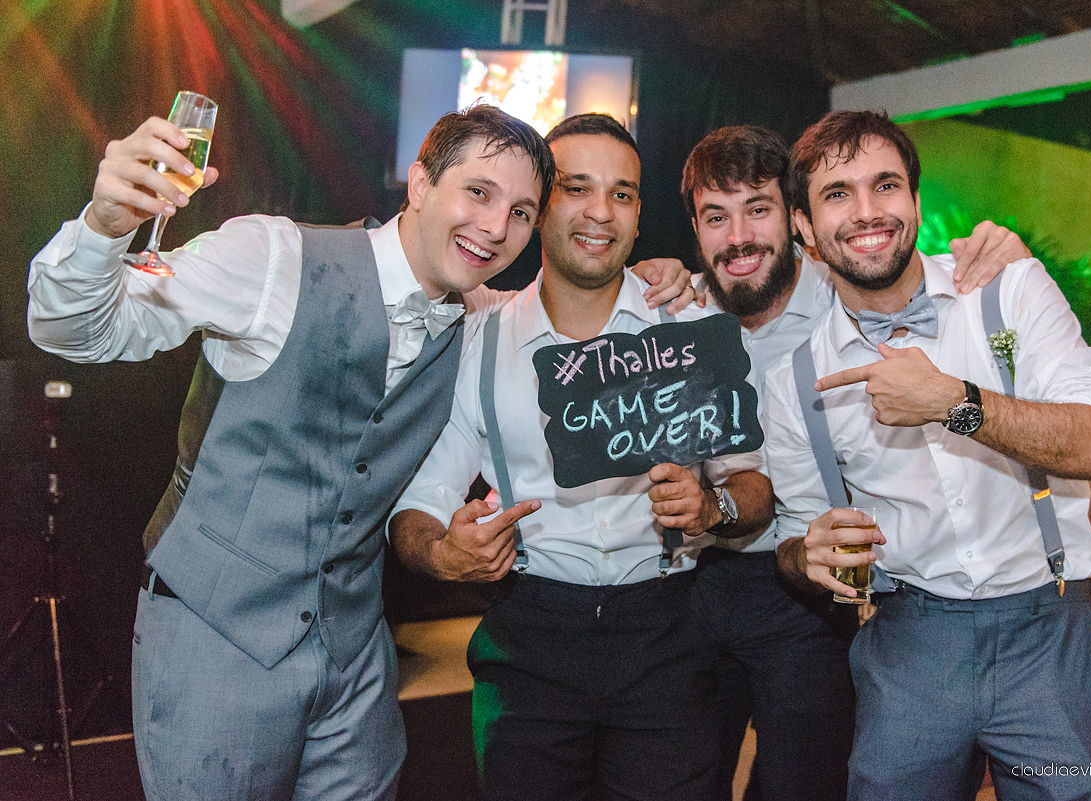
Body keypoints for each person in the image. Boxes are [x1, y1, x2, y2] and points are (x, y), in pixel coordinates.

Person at [26, 105, 558, 801]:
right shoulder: (272, 257)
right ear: (421, 183)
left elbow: (580, 320)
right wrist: (104, 226)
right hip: (217, 637)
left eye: (521, 213)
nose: (495, 227)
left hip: (356, 655)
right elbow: (75, 329)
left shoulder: (481, 315)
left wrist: (673, 283)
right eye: (479, 192)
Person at [389, 112, 774, 801]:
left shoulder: (690, 329)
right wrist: (443, 553)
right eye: (577, 187)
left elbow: (754, 488)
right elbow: (418, 506)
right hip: (529, 640)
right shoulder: (481, 342)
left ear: (639, 215)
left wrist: (712, 507)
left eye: (622, 193)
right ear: (539, 206)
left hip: (669, 638)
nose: (601, 211)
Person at [762, 109, 1091, 801]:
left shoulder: (1009, 294)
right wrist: (806, 555)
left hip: (1049, 630)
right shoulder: (795, 381)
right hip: (909, 644)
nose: (867, 211)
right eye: (838, 194)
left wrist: (954, 402)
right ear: (805, 230)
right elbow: (793, 539)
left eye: (886, 185)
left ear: (915, 201)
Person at [679, 124, 1032, 801]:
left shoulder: (846, 294)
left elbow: (926, 276)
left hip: (811, 591)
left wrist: (1002, 253)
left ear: (798, 222)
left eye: (758, 209)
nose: (739, 237)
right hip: (700, 579)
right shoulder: (676, 310)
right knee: (683, 778)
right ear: (694, 229)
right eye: (715, 217)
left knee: (803, 783)